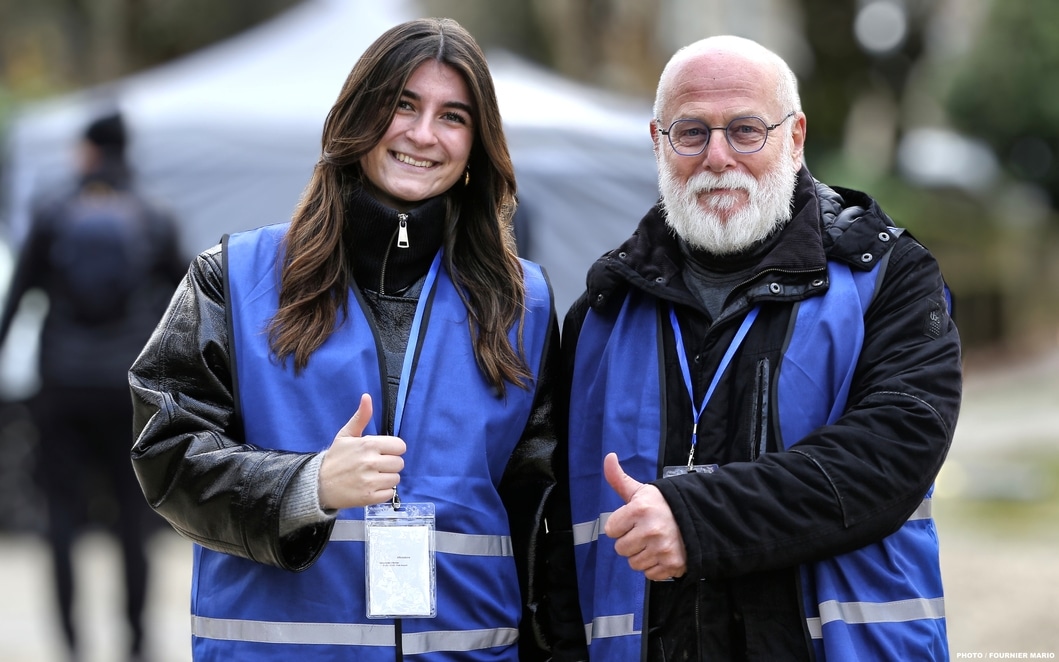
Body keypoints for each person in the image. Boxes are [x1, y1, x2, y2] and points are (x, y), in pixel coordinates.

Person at [129, 17, 586, 662]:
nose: (423, 134)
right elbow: (165, 452)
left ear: (476, 145)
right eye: (403, 105)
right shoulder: (233, 277)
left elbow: (542, 512)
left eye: (453, 117)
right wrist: (307, 484)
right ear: (357, 116)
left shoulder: (524, 303)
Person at [561, 35, 962, 661]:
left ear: (795, 137)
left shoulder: (888, 277)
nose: (718, 157)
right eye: (691, 132)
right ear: (658, 142)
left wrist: (698, 520)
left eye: (746, 130)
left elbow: (892, 452)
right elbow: (557, 542)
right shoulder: (601, 314)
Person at [0, 110, 186, 662]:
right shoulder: (154, 214)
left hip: (61, 386)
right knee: (133, 515)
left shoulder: (53, 211)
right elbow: (189, 300)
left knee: (61, 514)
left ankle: (71, 643)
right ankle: (136, 642)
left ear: (88, 150)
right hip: (129, 390)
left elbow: (19, 297)